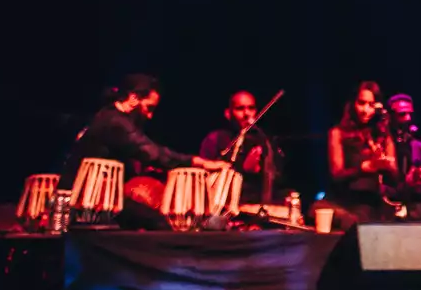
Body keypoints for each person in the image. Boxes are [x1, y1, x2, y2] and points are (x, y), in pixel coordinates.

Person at [60, 74, 230, 230]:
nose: (150, 116)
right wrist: (201, 162)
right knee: (158, 224)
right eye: (149, 108)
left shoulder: (110, 116)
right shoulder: (115, 122)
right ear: (133, 98)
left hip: (97, 195)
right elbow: (153, 153)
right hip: (86, 198)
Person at [318, 81, 399, 227]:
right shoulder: (338, 133)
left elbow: (394, 179)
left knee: (358, 220)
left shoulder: (382, 136)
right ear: (352, 103)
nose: (365, 110)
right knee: (319, 210)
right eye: (361, 103)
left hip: (368, 205)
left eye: (371, 105)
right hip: (340, 201)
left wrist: (386, 165)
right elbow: (336, 174)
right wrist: (365, 167)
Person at [198, 90, 282, 205]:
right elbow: (205, 176)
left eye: (251, 108)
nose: (247, 113)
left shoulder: (264, 139)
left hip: (257, 202)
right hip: (223, 202)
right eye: (240, 109)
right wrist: (242, 169)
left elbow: (276, 177)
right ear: (228, 113)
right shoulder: (215, 139)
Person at [384, 93, 421, 217]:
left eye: (410, 114)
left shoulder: (419, 147)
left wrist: (419, 187)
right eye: (402, 114)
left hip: (415, 209)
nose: (407, 118)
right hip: (388, 208)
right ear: (390, 116)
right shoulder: (382, 144)